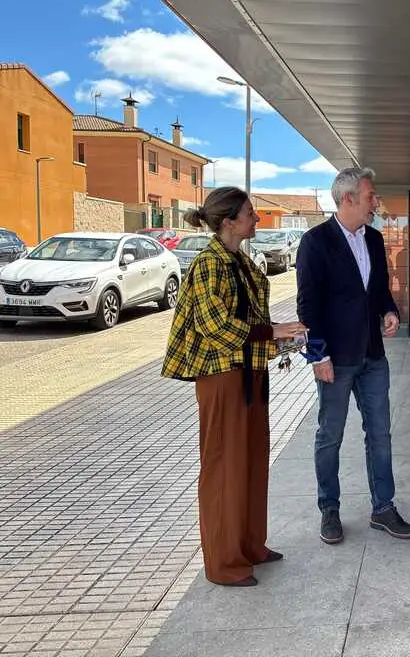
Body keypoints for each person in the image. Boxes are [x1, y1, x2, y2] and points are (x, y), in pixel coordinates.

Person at [162, 187, 307, 587]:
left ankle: (249, 545)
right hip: (222, 376)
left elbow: (247, 319)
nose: (257, 219)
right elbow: (215, 328)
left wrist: (281, 337)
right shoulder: (210, 263)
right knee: (225, 466)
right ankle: (224, 563)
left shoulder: (237, 259)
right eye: (250, 213)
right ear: (228, 221)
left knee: (252, 460)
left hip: (248, 372)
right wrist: (271, 331)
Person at [296, 166, 410, 544]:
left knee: (380, 433)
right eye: (370, 197)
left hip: (373, 358)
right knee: (330, 435)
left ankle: (383, 508)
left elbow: (378, 291)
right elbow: (306, 306)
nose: (375, 203)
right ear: (347, 199)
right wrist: (318, 357)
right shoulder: (315, 242)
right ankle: (329, 509)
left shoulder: (375, 240)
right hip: (336, 359)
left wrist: (390, 311)